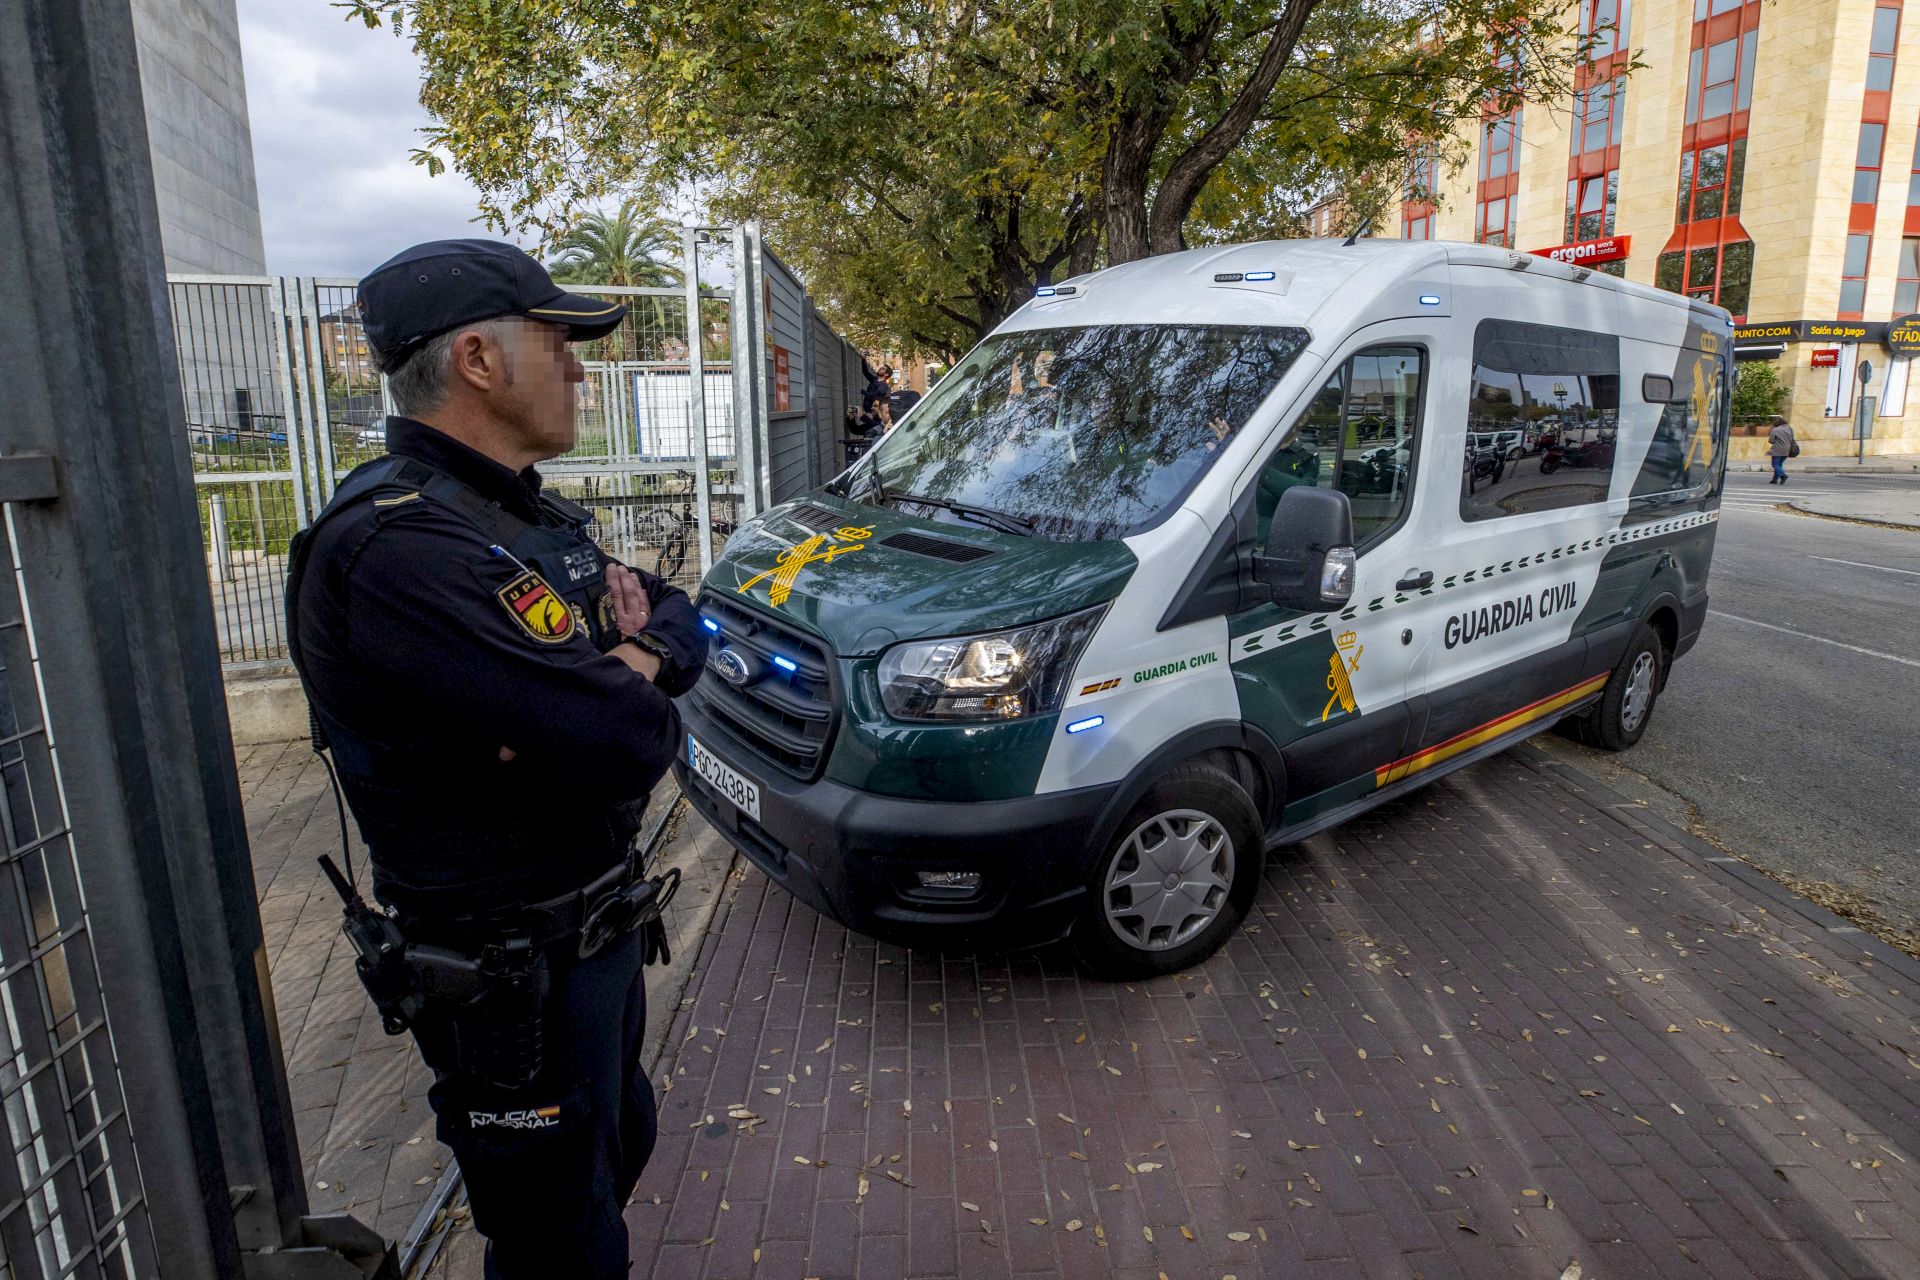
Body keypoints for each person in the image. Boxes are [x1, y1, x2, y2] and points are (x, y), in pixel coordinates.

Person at [283, 239, 708, 1279]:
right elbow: (625, 738)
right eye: (559, 343)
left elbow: (675, 622)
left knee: (619, 1149)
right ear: (476, 357)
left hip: (595, 935)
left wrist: (628, 659)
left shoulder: (516, 512)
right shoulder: (400, 548)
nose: (579, 368)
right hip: (510, 976)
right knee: (561, 1241)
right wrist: (621, 671)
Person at [1767, 413, 1797, 484]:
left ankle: (1783, 475)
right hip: (1788, 449)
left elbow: (1771, 441)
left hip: (1777, 449)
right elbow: (1792, 438)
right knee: (1779, 464)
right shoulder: (1790, 429)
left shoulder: (1775, 430)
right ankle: (1774, 480)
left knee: (1775, 464)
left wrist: (1771, 430)